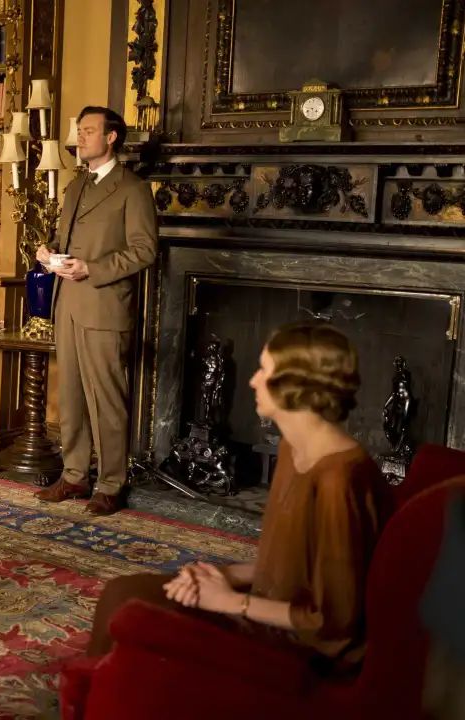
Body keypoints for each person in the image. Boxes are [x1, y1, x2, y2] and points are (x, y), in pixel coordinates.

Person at [87, 322, 389, 675]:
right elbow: (289, 567)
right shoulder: (293, 447)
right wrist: (223, 575)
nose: (252, 381)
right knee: (122, 592)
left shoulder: (339, 480)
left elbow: (332, 623)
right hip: (266, 608)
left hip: (304, 653)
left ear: (296, 386)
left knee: (135, 618)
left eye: (264, 370)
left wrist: (230, 601)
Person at [34, 106, 159, 515]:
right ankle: (74, 476)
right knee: (70, 397)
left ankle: (111, 484)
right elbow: (64, 239)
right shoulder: (76, 186)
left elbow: (145, 250)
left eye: (88, 130)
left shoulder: (133, 189)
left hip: (105, 307)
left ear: (111, 137)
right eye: (79, 130)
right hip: (67, 303)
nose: (80, 137)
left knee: (106, 400)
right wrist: (48, 252)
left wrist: (93, 269)